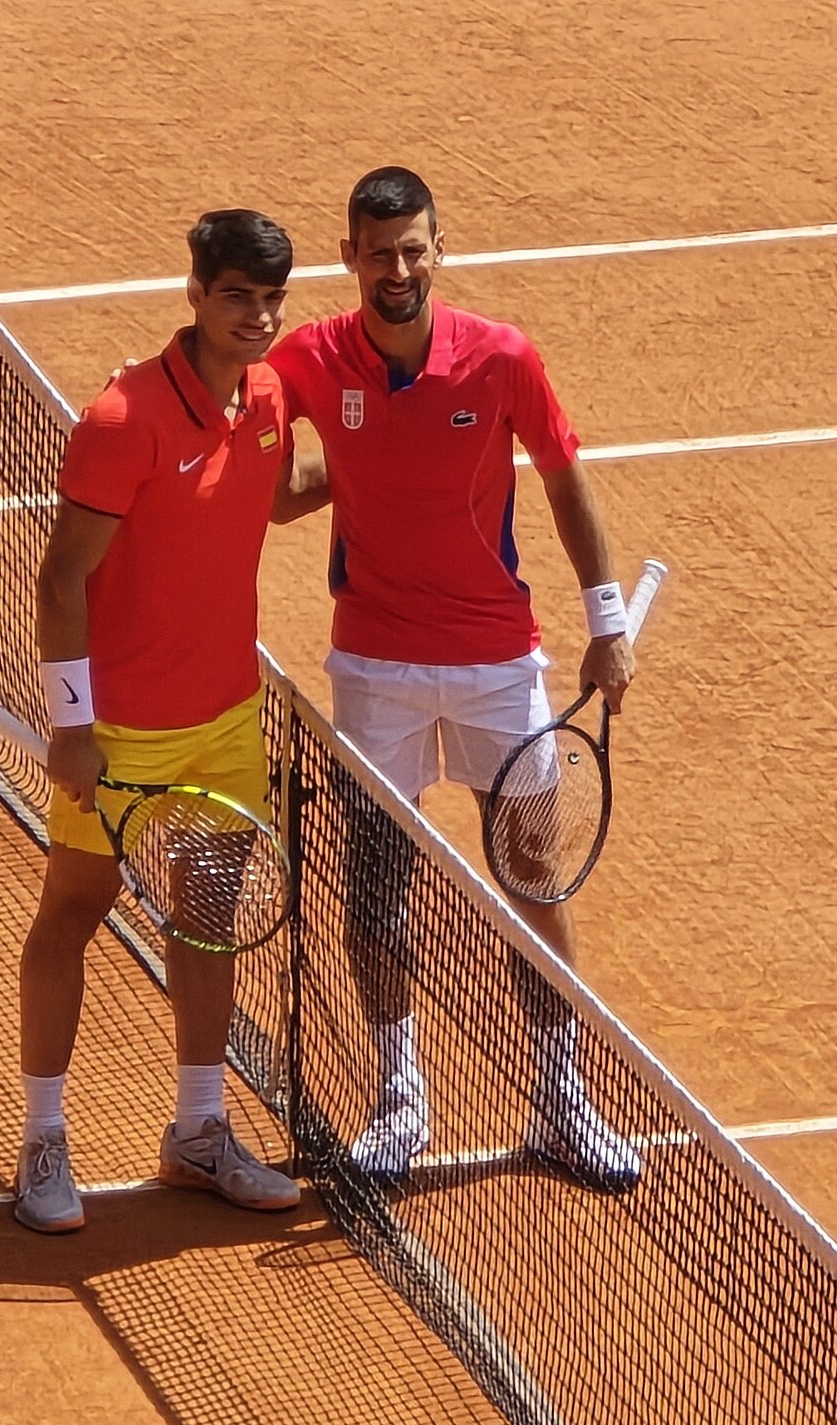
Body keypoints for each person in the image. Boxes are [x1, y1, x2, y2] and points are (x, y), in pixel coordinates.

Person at [267, 167, 642, 1192]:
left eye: (413, 249)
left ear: (439, 248)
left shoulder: (502, 359)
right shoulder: (307, 360)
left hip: (494, 666)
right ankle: (402, 1099)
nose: (397, 269)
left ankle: (560, 1101)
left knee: (534, 878)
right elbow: (282, 479)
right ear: (347, 257)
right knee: (375, 894)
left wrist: (605, 621)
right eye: (377, 251)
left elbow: (565, 480)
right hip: (373, 668)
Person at [14, 209, 320, 1233]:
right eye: (237, 295)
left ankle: (197, 1132)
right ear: (194, 295)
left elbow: (278, 497)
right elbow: (62, 576)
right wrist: (72, 724)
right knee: (73, 913)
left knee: (206, 917)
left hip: (226, 715)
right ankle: (43, 1137)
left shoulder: (270, 396)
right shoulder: (122, 419)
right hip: (121, 731)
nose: (258, 317)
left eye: (271, 299)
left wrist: (404, 467)